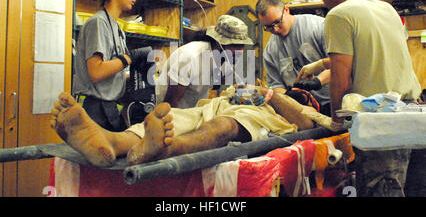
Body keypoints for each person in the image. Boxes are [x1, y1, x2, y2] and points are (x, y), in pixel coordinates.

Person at [317, 0, 422, 197]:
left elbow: (340, 78)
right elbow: (380, 54)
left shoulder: (338, 15)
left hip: (383, 124)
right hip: (413, 114)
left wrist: (336, 122)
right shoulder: (386, 9)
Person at [50, 84, 334, 168]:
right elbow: (223, 95)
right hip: (218, 105)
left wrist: (277, 95)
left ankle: (165, 149)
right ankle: (112, 142)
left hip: (260, 116)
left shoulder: (300, 102)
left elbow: (308, 123)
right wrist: (236, 89)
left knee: (224, 127)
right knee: (177, 116)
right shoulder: (256, 84)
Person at [72, 0, 145, 132]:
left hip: (108, 108)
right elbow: (96, 72)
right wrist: (129, 58)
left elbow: (112, 72)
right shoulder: (98, 23)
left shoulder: (117, 28)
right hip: (93, 110)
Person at [155, 15, 254, 108]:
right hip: (170, 110)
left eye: (242, 46)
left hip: (193, 110)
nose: (241, 51)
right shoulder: (190, 57)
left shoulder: (227, 57)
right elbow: (169, 103)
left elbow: (219, 83)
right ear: (219, 43)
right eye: (236, 45)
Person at [255, 0, 331, 116]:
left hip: (335, 102)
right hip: (305, 111)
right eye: (268, 27)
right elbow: (276, 86)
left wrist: (318, 82)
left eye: (277, 22)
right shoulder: (270, 51)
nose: (275, 29)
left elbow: (338, 65)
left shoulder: (317, 27)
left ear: (286, 10)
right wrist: (289, 95)